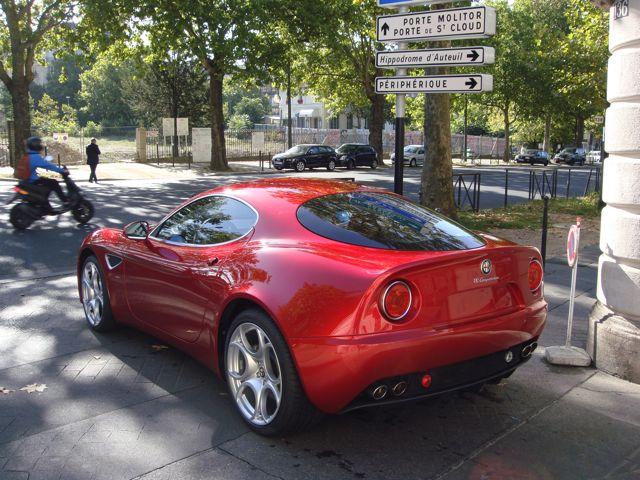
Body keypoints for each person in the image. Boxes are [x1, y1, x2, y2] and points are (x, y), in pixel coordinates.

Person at [24, 136, 69, 205]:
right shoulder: (35, 157)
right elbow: (49, 166)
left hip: (30, 179)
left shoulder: (29, 155)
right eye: (39, 144)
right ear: (35, 146)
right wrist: (62, 171)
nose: (40, 145)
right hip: (34, 180)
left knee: (51, 177)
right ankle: (65, 201)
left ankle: (45, 200)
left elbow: (43, 166)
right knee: (53, 182)